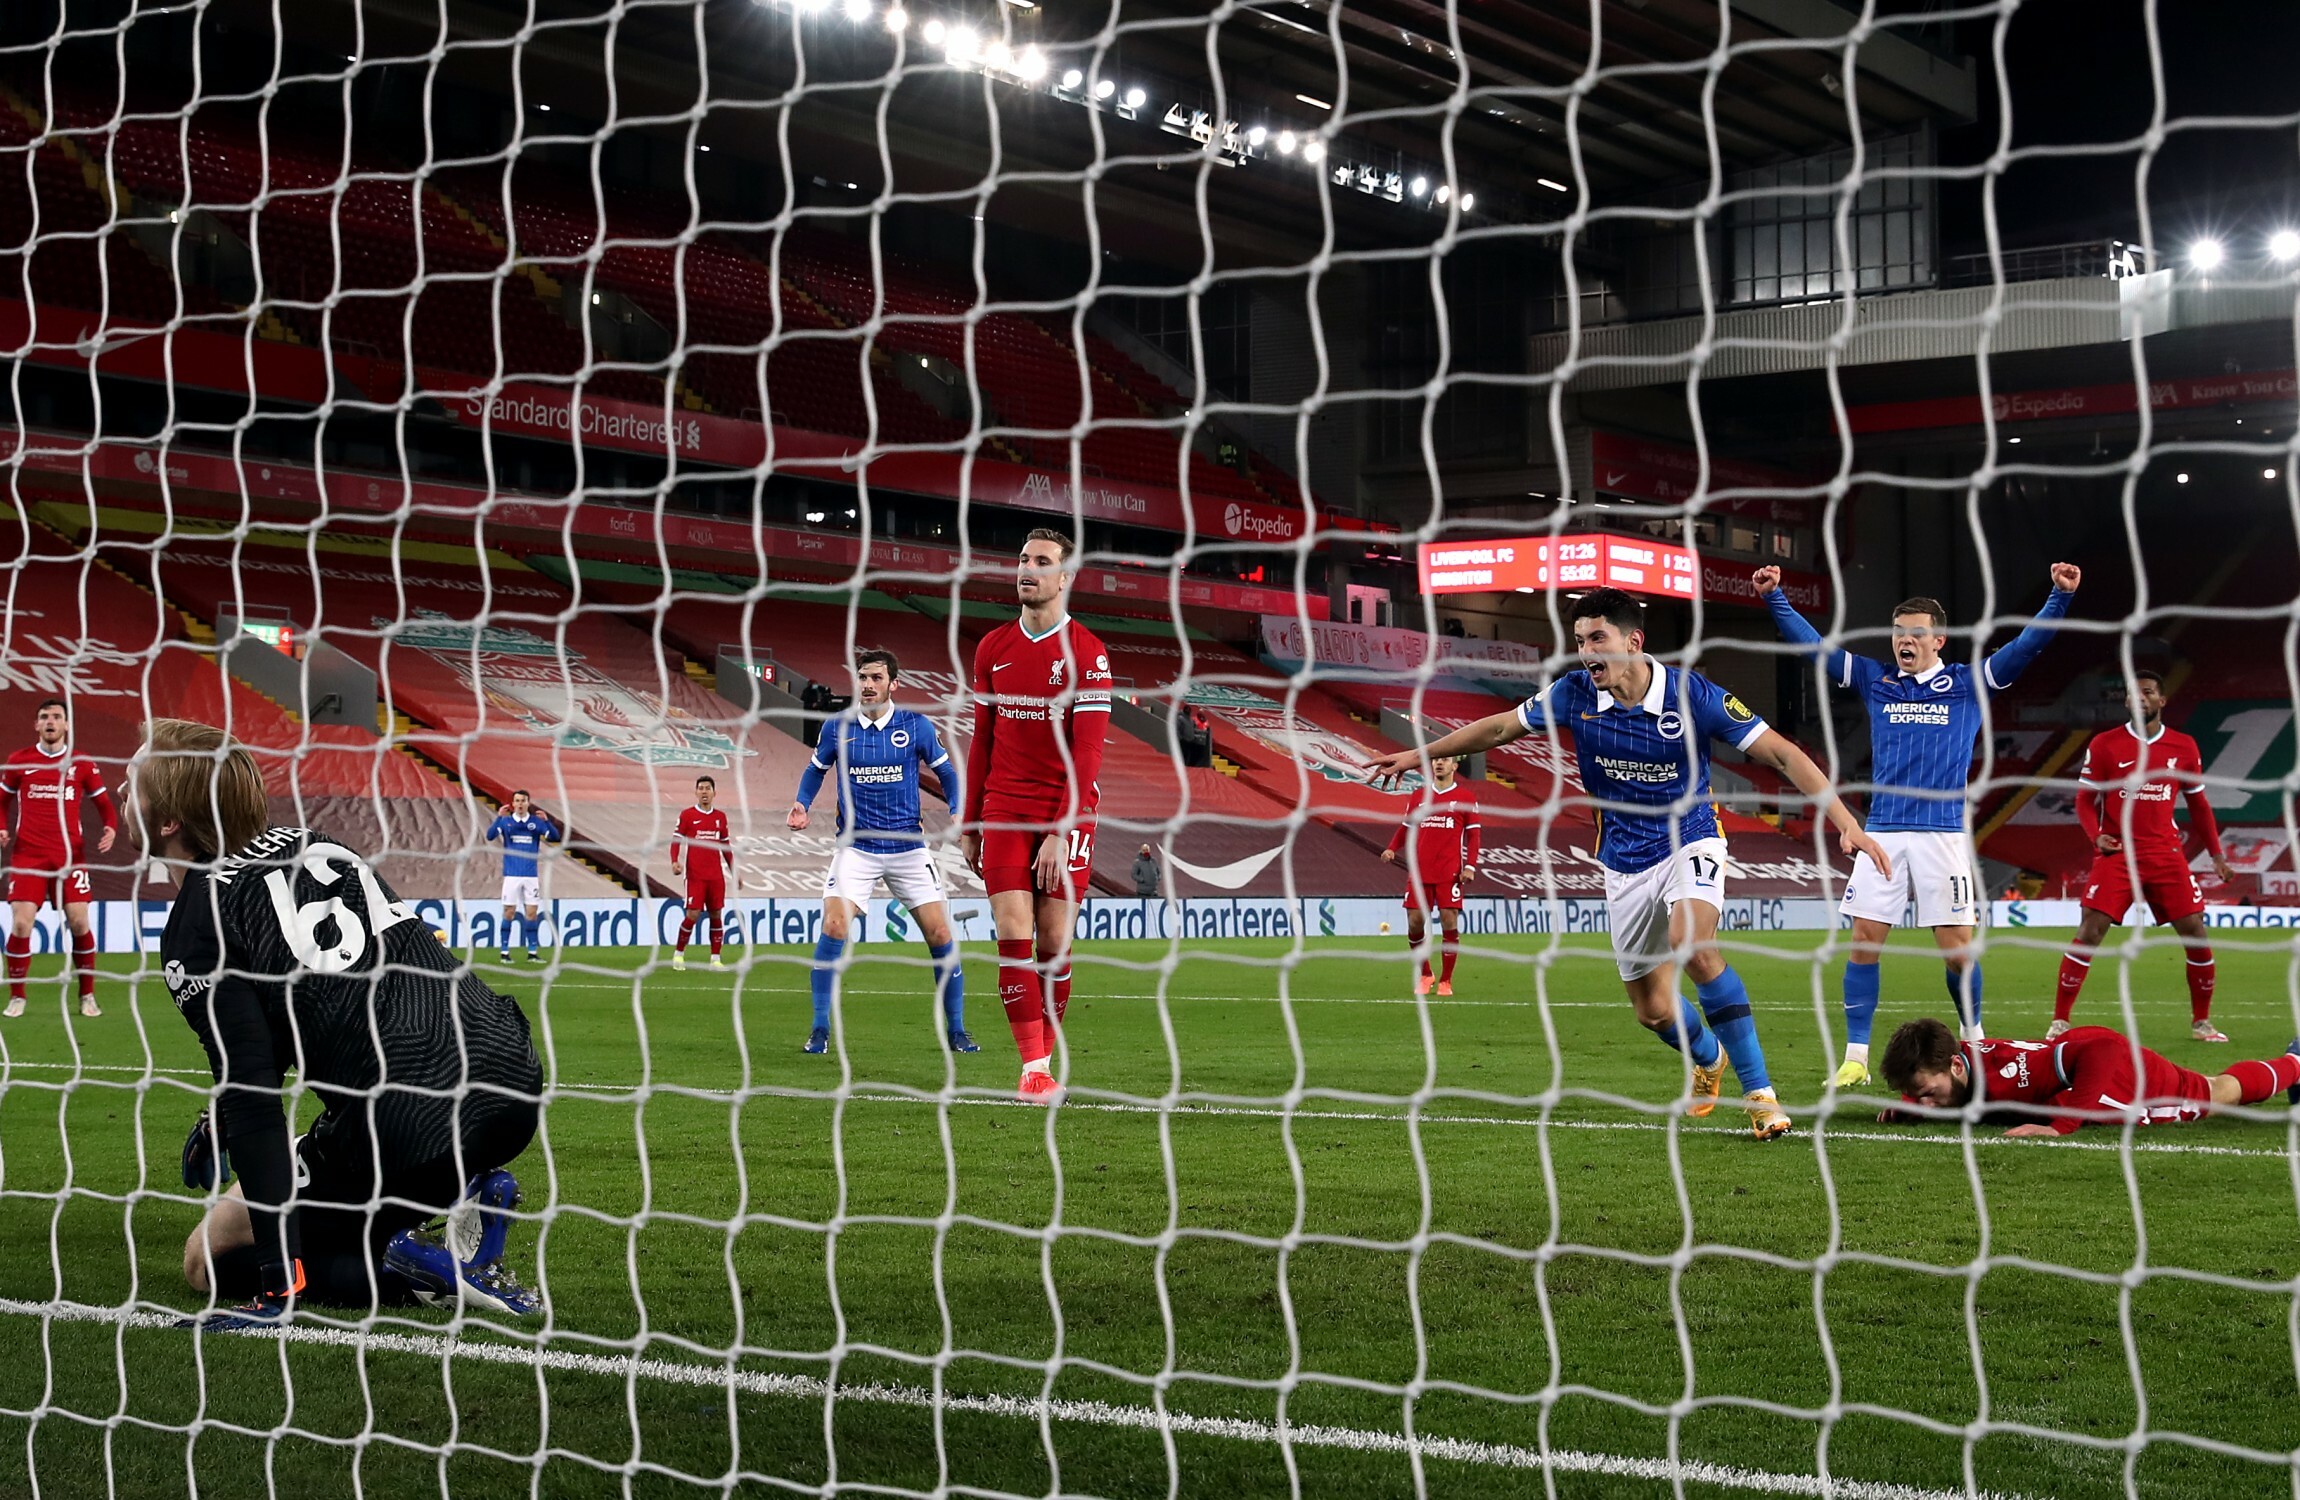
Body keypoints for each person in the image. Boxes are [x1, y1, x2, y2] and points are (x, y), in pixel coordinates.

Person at [1367, 588, 1894, 1140]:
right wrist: (1416, 753)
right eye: (1579, 641)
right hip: (1623, 860)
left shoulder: (1691, 695)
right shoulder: (1573, 694)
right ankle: (1708, 1057)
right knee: (1654, 1011)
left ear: (1634, 641)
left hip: (1691, 838)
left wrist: (1846, 821)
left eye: (1598, 638)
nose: (1587, 652)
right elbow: (1500, 728)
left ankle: (1760, 1095)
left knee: (1693, 944)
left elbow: (1783, 753)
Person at [133, 717, 543, 1325]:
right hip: (512, 1074)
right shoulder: (313, 842)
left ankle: (421, 1266)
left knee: (206, 1258)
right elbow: (321, 996)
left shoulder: (198, 922)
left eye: (133, 784)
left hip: (407, 1120)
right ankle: (464, 1192)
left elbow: (253, 1099)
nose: (123, 794)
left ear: (168, 821)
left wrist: (277, 1282)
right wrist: (219, 1116)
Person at [1755, 563, 2080, 1087]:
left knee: (1958, 952)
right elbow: (1815, 649)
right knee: (1864, 940)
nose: (1905, 640)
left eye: (1915, 633)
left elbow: (2026, 647)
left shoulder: (1969, 684)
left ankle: (1973, 1041)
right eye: (1898, 632)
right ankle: (1856, 1059)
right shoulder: (1875, 678)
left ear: (1938, 640)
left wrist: (2059, 597)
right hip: (1883, 831)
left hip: (1941, 835)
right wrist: (1776, 598)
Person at [959, 528, 1112, 1102]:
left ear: (1064, 577)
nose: (1027, 569)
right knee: (1013, 933)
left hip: (1066, 810)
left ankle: (1042, 1058)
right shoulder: (992, 648)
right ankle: (1034, 1069)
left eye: (1042, 562)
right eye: (1023, 559)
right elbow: (982, 741)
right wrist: (971, 821)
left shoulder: (1088, 654)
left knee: (1054, 942)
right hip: (1003, 807)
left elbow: (1088, 753)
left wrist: (1059, 831)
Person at [788, 647, 975, 1055]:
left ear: (894, 683)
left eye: (876, 678)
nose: (868, 685)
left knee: (941, 933)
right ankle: (819, 1029)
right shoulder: (837, 727)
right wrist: (802, 802)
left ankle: (958, 1031)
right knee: (834, 925)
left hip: (908, 846)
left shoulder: (916, 726)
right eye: (863, 677)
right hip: (856, 848)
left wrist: (957, 809)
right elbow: (815, 770)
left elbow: (946, 771)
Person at [2053, 669, 2234, 1042]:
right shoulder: (2105, 744)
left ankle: (2202, 1022)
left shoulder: (2184, 746)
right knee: (2090, 930)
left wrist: (2216, 854)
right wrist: (2096, 837)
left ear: (2161, 700)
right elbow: (2085, 799)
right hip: (2118, 853)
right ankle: (2060, 1021)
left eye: (2148, 692)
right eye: (2133, 693)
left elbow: (2199, 806)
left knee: (2195, 932)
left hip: (2165, 852)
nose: (2140, 697)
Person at [1878, 1015, 2300, 1136]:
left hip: (2119, 1076)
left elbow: (2104, 1051)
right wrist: (1910, 1105)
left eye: (1925, 1091)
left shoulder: (2011, 1077)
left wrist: (2061, 1127)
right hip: (2075, 1056)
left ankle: (2295, 1063)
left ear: (1956, 1066)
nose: (1923, 1101)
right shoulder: (1956, 1057)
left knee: (2214, 1093)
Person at [0, 698, 118, 1019]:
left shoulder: (81, 763)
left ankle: (87, 995)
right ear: (36, 725)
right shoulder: (19, 760)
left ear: (67, 725)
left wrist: (110, 826)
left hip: (69, 857)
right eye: (44, 717)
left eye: (56, 716)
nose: (50, 721)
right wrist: (2, 827)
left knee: (79, 922)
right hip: (28, 856)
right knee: (21, 924)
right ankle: (17, 996)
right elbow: (1, 801)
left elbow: (104, 804)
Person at [1380, 753, 1480, 995]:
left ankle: (1446, 980)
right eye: (1436, 760)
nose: (1439, 763)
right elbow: (1406, 828)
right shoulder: (1418, 796)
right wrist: (1392, 848)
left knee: (1449, 920)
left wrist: (1470, 866)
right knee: (1415, 922)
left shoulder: (1466, 798)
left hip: (1449, 872)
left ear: (1455, 766)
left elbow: (1474, 835)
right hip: (1419, 871)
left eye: (1445, 760)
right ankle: (1426, 974)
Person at [483, 789, 559, 963]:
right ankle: (504, 952)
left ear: (528, 803)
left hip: (531, 876)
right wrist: (498, 818)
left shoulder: (536, 822)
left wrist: (547, 821)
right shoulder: (506, 822)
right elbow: (490, 836)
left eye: (523, 801)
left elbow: (555, 837)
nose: (520, 804)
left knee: (531, 914)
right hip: (512, 875)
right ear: (513, 803)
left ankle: (532, 953)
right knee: (509, 912)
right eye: (517, 801)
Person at [671, 775, 734, 971]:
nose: (704, 792)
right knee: (693, 914)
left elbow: (726, 847)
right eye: (701, 788)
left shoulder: (720, 817)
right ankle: (678, 955)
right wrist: (674, 861)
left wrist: (734, 871)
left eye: (708, 788)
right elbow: (676, 840)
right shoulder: (687, 815)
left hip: (715, 876)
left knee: (716, 914)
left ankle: (715, 959)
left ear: (714, 793)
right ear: (696, 792)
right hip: (695, 875)